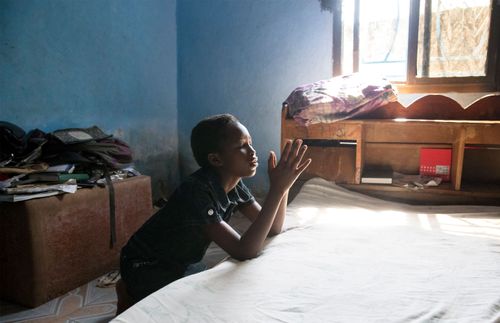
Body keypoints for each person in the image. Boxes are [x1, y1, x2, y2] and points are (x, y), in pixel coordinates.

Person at [118, 113, 311, 307]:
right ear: (216, 159)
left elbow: (273, 228)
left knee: (204, 290)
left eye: (250, 143)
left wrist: (283, 187)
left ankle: (131, 291)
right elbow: (244, 250)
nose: (252, 151)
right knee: (190, 305)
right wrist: (276, 190)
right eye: (242, 146)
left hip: (180, 259)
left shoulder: (234, 183)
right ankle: (128, 289)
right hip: (145, 264)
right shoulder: (195, 191)